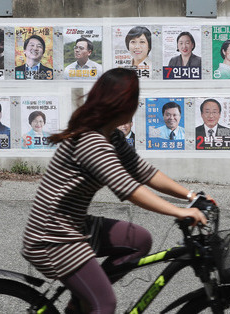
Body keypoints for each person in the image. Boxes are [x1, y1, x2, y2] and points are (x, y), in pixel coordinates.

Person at [21, 68, 207, 314]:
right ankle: (91, 300)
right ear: (123, 104)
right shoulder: (91, 141)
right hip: (53, 238)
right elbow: (129, 189)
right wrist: (179, 212)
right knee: (105, 304)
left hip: (75, 225)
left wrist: (192, 197)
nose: (137, 105)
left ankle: (82, 301)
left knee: (139, 240)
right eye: (134, 100)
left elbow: (144, 172)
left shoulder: (112, 137)